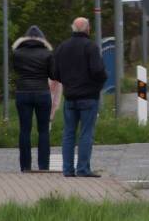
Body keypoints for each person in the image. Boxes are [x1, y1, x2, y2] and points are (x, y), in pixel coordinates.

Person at [52, 17, 107, 178]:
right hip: (88, 96)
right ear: (87, 29)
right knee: (86, 132)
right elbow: (97, 70)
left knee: (68, 133)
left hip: (70, 97)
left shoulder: (62, 47)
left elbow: (54, 73)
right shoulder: (90, 47)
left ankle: (68, 169)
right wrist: (100, 82)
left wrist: (68, 82)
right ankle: (83, 169)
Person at [12, 25, 55, 172]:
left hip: (23, 92)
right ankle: (43, 165)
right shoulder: (47, 54)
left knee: (25, 130)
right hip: (42, 92)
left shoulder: (17, 53)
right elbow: (52, 74)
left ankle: (25, 166)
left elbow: (16, 70)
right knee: (43, 130)